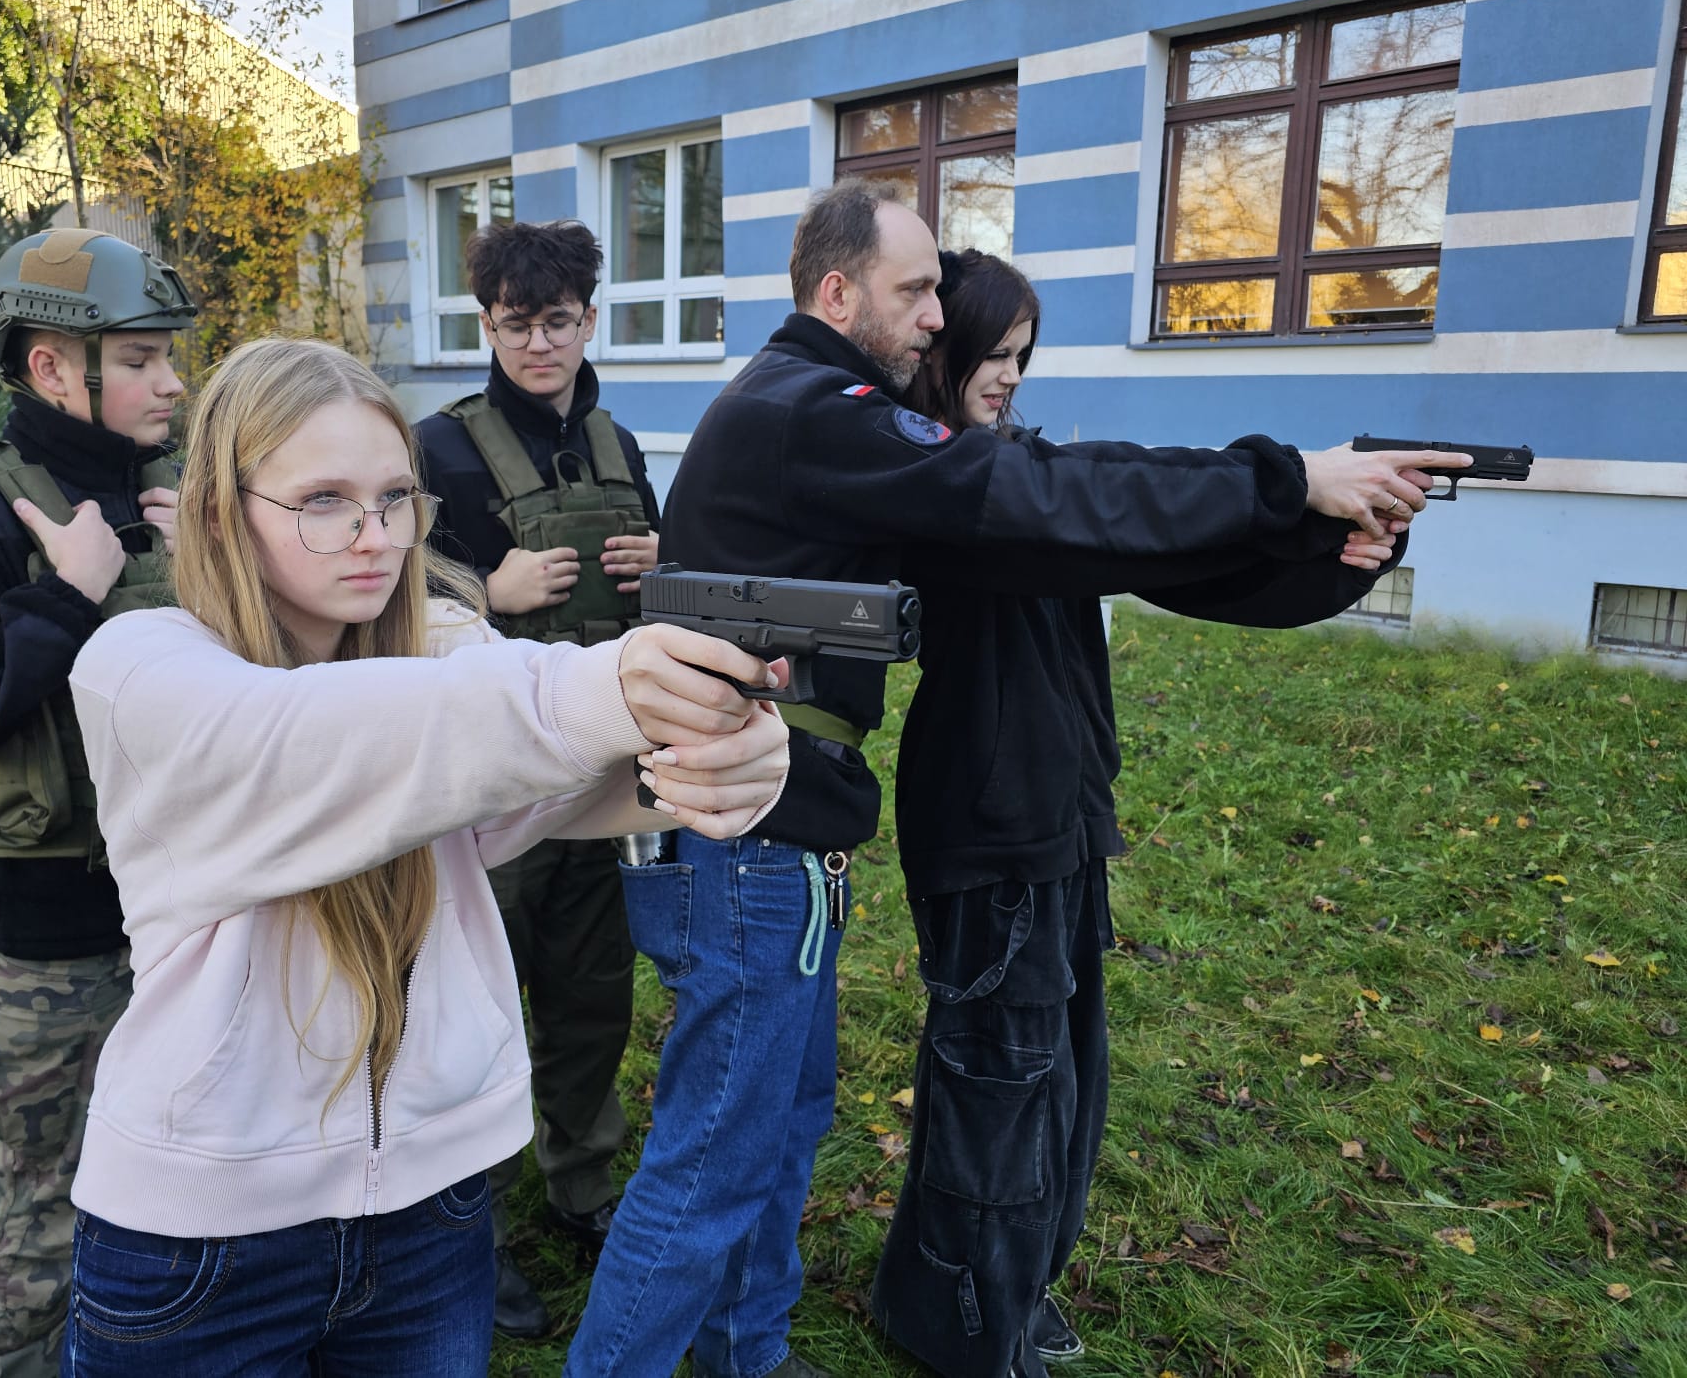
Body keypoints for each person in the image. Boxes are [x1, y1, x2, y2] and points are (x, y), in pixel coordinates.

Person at [564, 178, 1466, 1378]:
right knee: (711, 1165)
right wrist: (1284, 477)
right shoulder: (816, 408)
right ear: (838, 292)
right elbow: (1040, 493)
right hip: (743, 841)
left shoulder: (812, 412)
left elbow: (1085, 506)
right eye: (918, 288)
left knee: (780, 1132)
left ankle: (750, 1355)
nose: (940, 315)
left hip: (783, 831)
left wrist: (1306, 530)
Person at [55, 337, 790, 1375]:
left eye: (395, 498)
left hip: (430, 1216)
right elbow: (340, 740)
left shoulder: (438, 649)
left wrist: (712, 756)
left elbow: (531, 774)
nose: (372, 536)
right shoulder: (140, 669)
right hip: (199, 1239)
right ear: (223, 511)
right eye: (322, 500)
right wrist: (609, 690)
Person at [875, 249, 1415, 1378]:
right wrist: (1288, 485)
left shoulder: (1023, 477)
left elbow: (1188, 564)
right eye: (994, 355)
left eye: (1025, 358)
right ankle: (969, 1327)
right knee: (999, 1090)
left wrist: (1337, 558)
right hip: (989, 838)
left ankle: (981, 1293)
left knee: (1046, 1080)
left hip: (1057, 829)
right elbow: (1123, 504)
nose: (1011, 378)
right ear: (945, 348)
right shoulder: (952, 490)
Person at [0, 228, 196, 1378]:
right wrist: (64, 596)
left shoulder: (179, 497)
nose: (173, 381)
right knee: (48, 1225)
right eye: (145, 357)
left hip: (192, 923)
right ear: (54, 366)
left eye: (170, 358)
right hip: (47, 963)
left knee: (180, 1199)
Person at [414, 219, 660, 1335]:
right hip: (485, 793)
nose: (537, 343)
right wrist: (484, 589)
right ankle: (469, 1229)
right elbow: (377, 595)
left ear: (586, 321)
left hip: (601, 782)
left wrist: (667, 563)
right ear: (488, 325)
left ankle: (581, 1187)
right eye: (516, 323)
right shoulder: (438, 450)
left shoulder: (618, 446)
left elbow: (666, 610)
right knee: (466, 1014)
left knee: (589, 998)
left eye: (556, 321)